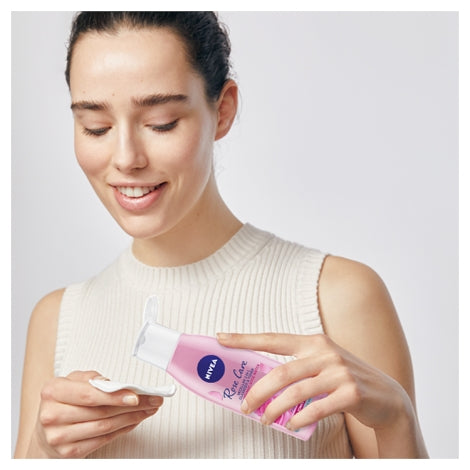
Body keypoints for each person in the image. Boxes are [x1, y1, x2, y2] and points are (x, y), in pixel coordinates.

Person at [14, 12, 428, 459]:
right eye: (95, 127)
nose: (127, 158)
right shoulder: (58, 319)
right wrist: (43, 451)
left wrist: (395, 418)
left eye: (161, 122)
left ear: (223, 109)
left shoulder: (336, 297)